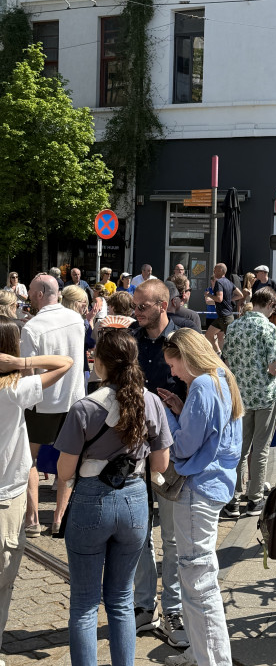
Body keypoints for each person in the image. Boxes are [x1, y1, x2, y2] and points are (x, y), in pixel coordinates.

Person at [55, 328, 172, 666]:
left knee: (84, 604)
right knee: (121, 600)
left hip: (91, 501)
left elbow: (64, 471)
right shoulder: (151, 402)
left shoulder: (84, 408)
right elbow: (161, 464)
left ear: (101, 363)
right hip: (135, 501)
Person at [160, 330, 243, 666]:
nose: (173, 373)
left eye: (173, 364)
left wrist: (167, 418)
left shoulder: (203, 385)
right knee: (197, 576)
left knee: (198, 579)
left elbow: (183, 446)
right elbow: (214, 434)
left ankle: (212, 660)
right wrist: (182, 410)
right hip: (215, 484)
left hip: (198, 487)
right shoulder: (222, 376)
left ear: (187, 356)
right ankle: (200, 652)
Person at [0, 320, 73, 658]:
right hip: (6, 496)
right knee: (3, 581)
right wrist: (21, 363)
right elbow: (66, 363)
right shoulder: (13, 389)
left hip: (9, 493)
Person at [130, 279, 189, 648]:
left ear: (163, 305)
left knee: (171, 535)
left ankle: (174, 608)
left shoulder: (183, 341)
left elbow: (202, 386)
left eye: (143, 306)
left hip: (170, 452)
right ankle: (143, 604)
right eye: (135, 306)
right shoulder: (131, 340)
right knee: (138, 533)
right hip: (134, 450)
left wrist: (181, 409)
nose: (136, 313)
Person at [20, 274, 85, 536]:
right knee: (68, 460)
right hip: (73, 400)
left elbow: (28, 374)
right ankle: (59, 518)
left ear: (39, 294)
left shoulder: (32, 328)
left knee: (27, 459)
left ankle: (32, 518)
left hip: (41, 403)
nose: (28, 295)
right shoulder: (77, 319)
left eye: (30, 291)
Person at [222, 287, 276, 518]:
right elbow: (273, 367)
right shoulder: (268, 328)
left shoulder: (234, 326)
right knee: (260, 449)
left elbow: (226, 360)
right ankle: (255, 498)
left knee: (239, 448)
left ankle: (233, 499)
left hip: (240, 395)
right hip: (264, 395)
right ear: (269, 304)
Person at [205, 264, 243, 355]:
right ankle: (219, 353)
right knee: (208, 335)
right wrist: (229, 299)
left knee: (231, 342)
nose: (214, 272)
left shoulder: (219, 282)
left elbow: (219, 299)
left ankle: (232, 358)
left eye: (215, 270)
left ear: (221, 271)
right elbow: (240, 295)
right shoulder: (229, 282)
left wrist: (208, 295)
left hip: (226, 318)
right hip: (222, 317)